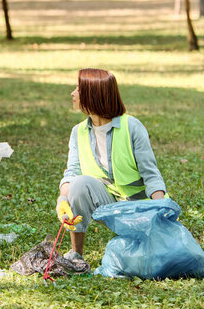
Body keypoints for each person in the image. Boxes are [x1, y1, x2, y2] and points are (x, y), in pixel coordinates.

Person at [56, 68, 167, 261]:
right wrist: (63, 200)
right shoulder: (78, 132)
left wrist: (162, 209)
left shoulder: (132, 126)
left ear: (93, 95)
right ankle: (76, 255)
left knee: (150, 256)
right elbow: (72, 172)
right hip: (108, 205)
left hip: (138, 208)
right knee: (79, 182)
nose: (72, 94)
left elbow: (151, 175)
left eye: (78, 89)